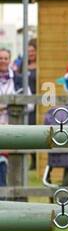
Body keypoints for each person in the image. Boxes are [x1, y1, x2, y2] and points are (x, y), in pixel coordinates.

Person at [0, 47, 15, 187]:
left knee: (12, 166)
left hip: (12, 125)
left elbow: (28, 105)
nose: (3, 61)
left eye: (6, 58)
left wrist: (6, 107)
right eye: (0, 58)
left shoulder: (19, 78)